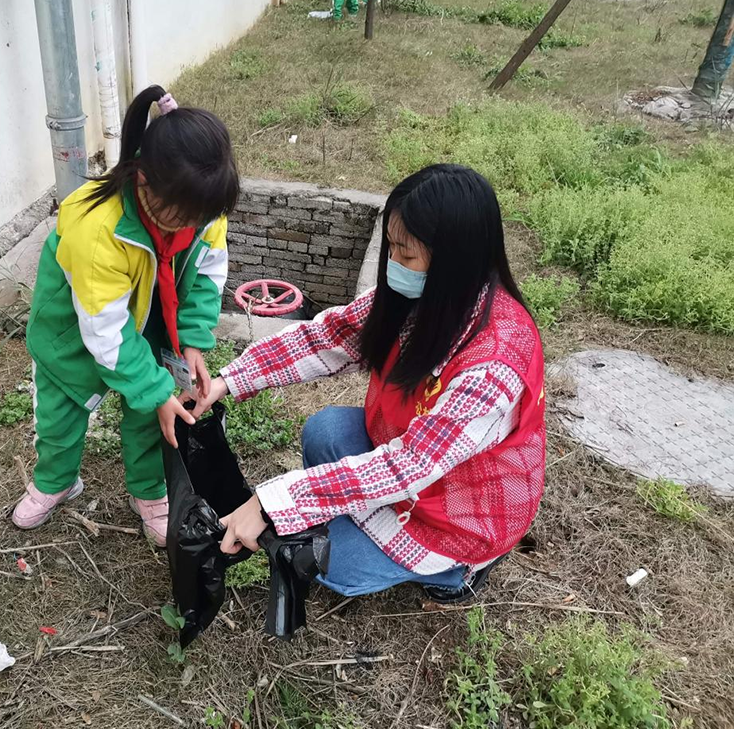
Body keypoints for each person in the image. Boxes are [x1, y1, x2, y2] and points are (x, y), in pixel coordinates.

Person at [195, 164, 545, 602]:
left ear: (456, 263)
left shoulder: (494, 364)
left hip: (461, 510)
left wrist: (271, 502)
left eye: (408, 255)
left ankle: (460, 573)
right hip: (413, 465)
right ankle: (367, 519)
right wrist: (226, 381)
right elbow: (325, 337)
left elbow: (409, 466)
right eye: (391, 249)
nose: (394, 265)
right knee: (325, 433)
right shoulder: (417, 301)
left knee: (329, 564)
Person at [15, 85, 239, 546]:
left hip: (151, 312)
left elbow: (207, 276)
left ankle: (149, 492)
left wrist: (192, 341)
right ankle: (56, 480)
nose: (189, 227)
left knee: (152, 414)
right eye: (177, 218)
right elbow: (107, 333)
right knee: (62, 410)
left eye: (197, 219)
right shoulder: (96, 228)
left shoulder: (200, 204)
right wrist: (155, 389)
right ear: (142, 181)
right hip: (76, 331)